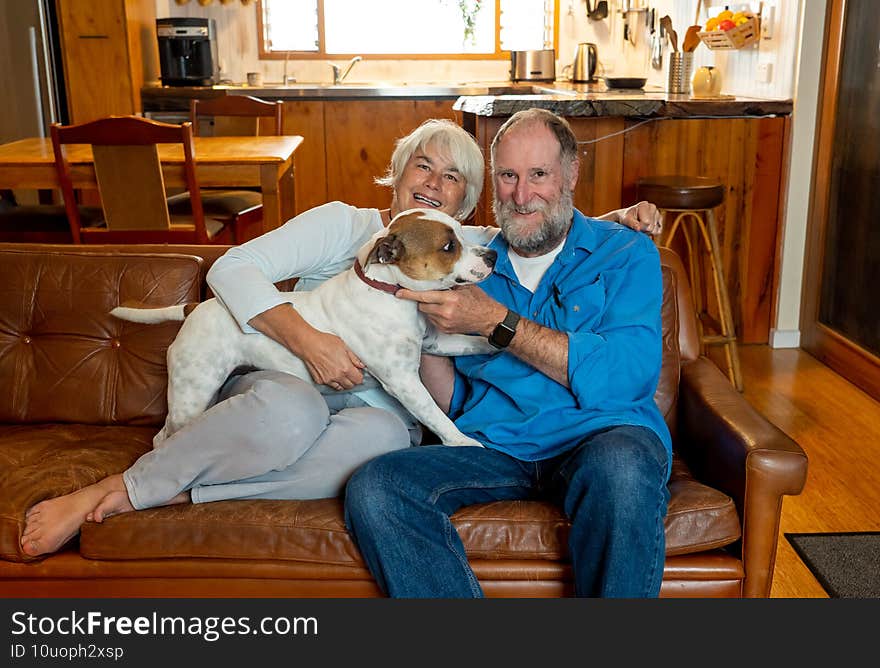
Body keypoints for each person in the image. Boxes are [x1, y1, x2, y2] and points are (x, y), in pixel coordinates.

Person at [20, 117, 662, 559]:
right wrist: (310, 342)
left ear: (465, 209)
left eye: (455, 179)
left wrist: (613, 222)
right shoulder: (342, 224)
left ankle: (190, 488)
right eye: (424, 164)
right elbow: (228, 268)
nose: (434, 184)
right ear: (397, 168)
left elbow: (537, 224)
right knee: (288, 411)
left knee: (380, 450)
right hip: (289, 373)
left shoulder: (455, 248)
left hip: (375, 406)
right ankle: (121, 489)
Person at [344, 108, 672, 598]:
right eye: (508, 177)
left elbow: (629, 375)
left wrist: (497, 324)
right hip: (496, 446)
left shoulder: (625, 253)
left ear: (572, 174)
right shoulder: (466, 260)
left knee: (623, 471)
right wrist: (413, 333)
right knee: (376, 487)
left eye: (539, 174)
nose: (522, 195)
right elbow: (454, 398)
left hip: (601, 438)